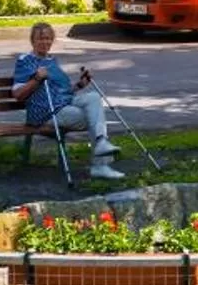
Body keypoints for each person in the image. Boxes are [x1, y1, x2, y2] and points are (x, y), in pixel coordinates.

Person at [12, 22, 123, 182]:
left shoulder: (52, 61)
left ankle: (100, 143)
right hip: (46, 112)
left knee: (93, 97)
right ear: (33, 40)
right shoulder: (25, 61)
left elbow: (63, 92)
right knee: (94, 118)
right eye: (41, 38)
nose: (45, 42)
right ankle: (101, 166)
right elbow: (18, 94)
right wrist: (36, 79)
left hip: (64, 104)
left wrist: (80, 85)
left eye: (48, 38)